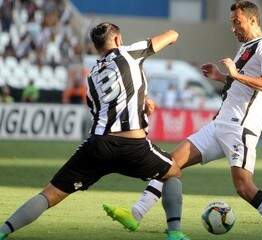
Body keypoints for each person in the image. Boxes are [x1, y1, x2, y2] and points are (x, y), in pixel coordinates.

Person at [104, 2, 262, 240]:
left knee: (244, 187)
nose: (233, 28)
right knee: (170, 164)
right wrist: (221, 77)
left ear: (252, 20)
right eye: (232, 22)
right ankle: (135, 214)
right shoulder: (245, 48)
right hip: (220, 124)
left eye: (237, 22)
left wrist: (234, 74)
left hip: (240, 127)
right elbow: (240, 84)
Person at [0, 22, 181, 240]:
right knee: (173, 173)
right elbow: (172, 35)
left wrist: (142, 104)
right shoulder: (128, 53)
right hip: (134, 146)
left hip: (99, 145)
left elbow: (104, 110)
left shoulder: (92, 76)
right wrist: (172, 34)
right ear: (117, 39)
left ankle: (3, 231)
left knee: (49, 194)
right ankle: (174, 234)